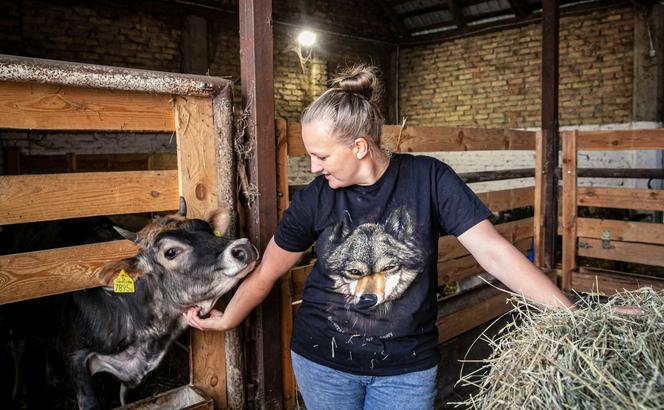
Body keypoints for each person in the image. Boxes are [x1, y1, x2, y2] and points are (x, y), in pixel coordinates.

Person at [184, 65, 573, 409]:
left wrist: (574, 316)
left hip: (407, 367)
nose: (314, 167)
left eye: (321, 156)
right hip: (323, 360)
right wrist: (227, 318)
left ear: (359, 146)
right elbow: (267, 272)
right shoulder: (315, 199)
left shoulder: (429, 179)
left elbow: (494, 253)